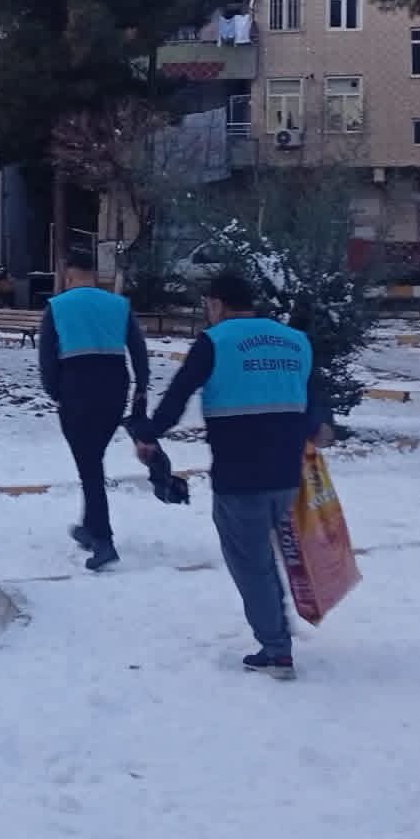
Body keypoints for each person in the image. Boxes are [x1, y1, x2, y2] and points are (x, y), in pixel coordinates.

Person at [135, 271, 325, 679]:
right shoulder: (295, 341)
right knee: (263, 559)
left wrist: (149, 436)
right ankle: (277, 631)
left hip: (240, 476)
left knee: (251, 563)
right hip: (287, 474)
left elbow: (179, 394)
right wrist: (318, 427)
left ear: (217, 304)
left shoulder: (215, 341)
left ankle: (277, 651)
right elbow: (314, 401)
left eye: (209, 306)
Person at [38, 283, 150, 571]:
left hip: (76, 388)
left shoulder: (58, 306)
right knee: (92, 458)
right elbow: (138, 348)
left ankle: (103, 539)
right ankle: (90, 527)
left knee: (88, 463)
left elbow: (47, 356)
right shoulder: (119, 305)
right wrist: (141, 387)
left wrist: (54, 391)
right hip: (115, 387)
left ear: (69, 271)